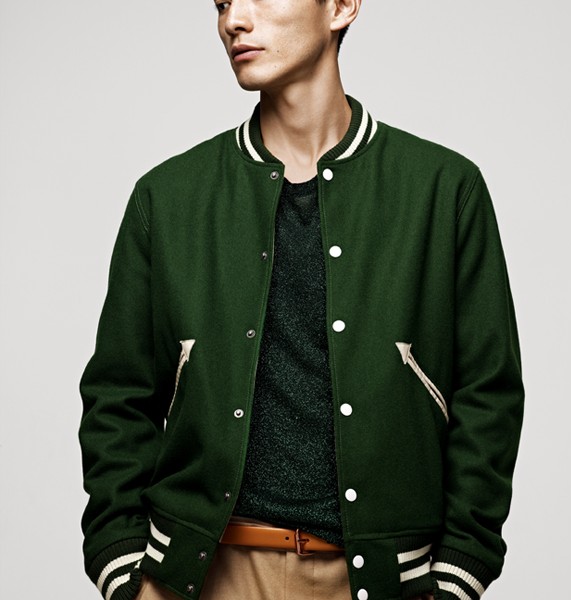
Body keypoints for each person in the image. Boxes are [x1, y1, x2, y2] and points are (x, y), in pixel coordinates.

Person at [78, 1, 524, 599]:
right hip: (204, 575)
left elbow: (489, 397)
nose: (234, 20)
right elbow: (117, 398)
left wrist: (457, 575)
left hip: (386, 579)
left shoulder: (443, 190)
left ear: (340, 6)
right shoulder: (167, 198)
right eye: (222, 3)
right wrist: (123, 566)